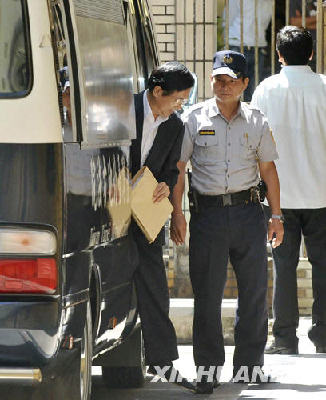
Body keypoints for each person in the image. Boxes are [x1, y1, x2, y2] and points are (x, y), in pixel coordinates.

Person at [171, 50, 284, 394]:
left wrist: (276, 215)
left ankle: (249, 366)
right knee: (207, 294)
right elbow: (178, 170)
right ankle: (207, 369)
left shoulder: (257, 120)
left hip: (249, 213)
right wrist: (178, 214)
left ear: (245, 84)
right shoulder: (193, 118)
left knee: (253, 293)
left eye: (231, 80)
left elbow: (268, 170)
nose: (223, 86)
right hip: (207, 216)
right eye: (218, 79)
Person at [251, 26, 326, 355]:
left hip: (278, 196)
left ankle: (283, 338)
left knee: (283, 265)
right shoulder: (325, 88)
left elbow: (253, 141)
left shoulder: (266, 89)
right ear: (311, 53)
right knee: (324, 266)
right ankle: (323, 335)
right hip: (322, 194)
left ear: (279, 54)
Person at [131, 62, 195, 390]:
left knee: (155, 281)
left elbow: (173, 170)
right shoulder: (125, 109)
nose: (180, 105)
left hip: (146, 210)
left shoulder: (175, 126)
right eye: (178, 99)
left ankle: (163, 361)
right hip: (109, 206)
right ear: (157, 92)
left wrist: (165, 186)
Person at [228, 0, 273, 101]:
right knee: (252, 92)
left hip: (239, 44)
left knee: (236, 91)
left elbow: (227, 19)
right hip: (255, 46)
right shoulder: (269, 2)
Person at [290, 0, 316, 70]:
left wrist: (304, 23)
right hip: (304, 47)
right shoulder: (295, 1)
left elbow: (300, 23)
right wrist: (320, 17)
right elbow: (295, 23)